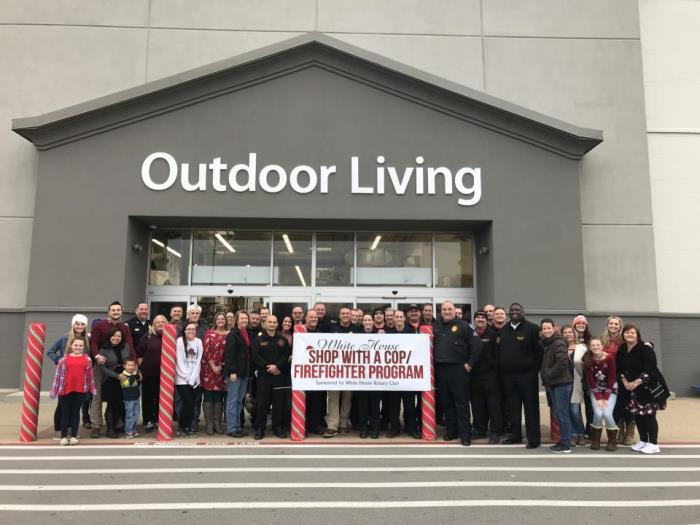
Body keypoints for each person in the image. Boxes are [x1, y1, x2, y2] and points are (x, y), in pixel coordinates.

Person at [434, 300, 482, 446]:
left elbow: (477, 345)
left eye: (449, 309)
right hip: (441, 370)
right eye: (444, 309)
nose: (447, 311)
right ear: (441, 311)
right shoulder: (436, 326)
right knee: (447, 403)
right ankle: (451, 431)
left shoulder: (464, 326)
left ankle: (465, 434)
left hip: (459, 370)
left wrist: (469, 364)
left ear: (454, 311)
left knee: (461, 404)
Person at [616, 324, 666, 454]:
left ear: (637, 335)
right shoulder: (622, 349)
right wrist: (625, 382)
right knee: (638, 416)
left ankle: (653, 443)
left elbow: (651, 370)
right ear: (623, 335)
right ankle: (643, 440)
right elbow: (619, 369)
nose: (629, 335)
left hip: (647, 388)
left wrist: (635, 383)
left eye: (632, 333)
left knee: (649, 416)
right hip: (631, 390)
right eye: (627, 333)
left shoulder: (645, 349)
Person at [498, 303, 542, 448]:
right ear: (508, 313)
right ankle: (515, 436)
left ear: (523, 312)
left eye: (517, 310)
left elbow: (539, 353)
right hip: (508, 378)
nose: (514, 312)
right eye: (512, 310)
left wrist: (534, 372)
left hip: (527, 377)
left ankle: (534, 439)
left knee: (531, 408)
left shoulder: (533, 329)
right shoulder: (503, 330)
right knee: (513, 409)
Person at [89, 301, 134, 438]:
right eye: (113, 310)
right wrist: (97, 356)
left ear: (121, 311)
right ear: (109, 311)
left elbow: (130, 345)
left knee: (118, 397)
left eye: (118, 310)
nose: (115, 312)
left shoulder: (124, 327)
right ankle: (96, 425)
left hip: (118, 366)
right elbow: (93, 342)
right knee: (97, 395)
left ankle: (117, 424)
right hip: (101, 364)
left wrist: (134, 364)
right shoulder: (99, 325)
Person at [47, 314, 92, 439]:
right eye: (77, 324)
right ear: (73, 325)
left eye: (82, 324)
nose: (80, 326)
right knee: (62, 406)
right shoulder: (64, 339)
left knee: (75, 407)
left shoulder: (87, 340)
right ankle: (59, 430)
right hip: (65, 378)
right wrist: (60, 360)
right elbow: (50, 351)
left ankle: (72, 430)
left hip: (79, 379)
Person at [49, 339, 95, 446]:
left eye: (80, 345)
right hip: (65, 390)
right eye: (76, 345)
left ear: (83, 347)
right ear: (71, 346)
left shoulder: (87, 360)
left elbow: (89, 376)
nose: (78, 347)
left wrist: (91, 389)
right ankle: (64, 437)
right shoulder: (63, 360)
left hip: (80, 390)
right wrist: (54, 391)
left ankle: (74, 436)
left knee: (75, 413)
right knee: (65, 413)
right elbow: (58, 376)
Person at [252, 315, 291, 439]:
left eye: (274, 322)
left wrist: (277, 367)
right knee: (262, 403)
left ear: (277, 324)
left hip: (278, 375)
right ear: (265, 324)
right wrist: (268, 367)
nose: (272, 324)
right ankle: (260, 428)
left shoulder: (282, 339)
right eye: (270, 322)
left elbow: (286, 356)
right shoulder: (258, 340)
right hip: (264, 376)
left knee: (278, 403)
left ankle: (277, 428)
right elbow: (256, 356)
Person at [540, 319, 573, 453]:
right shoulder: (548, 343)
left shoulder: (558, 342)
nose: (546, 330)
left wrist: (548, 374)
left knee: (563, 414)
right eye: (544, 328)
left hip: (561, 383)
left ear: (554, 328)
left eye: (549, 328)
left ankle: (565, 444)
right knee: (559, 414)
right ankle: (563, 440)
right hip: (554, 383)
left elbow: (561, 363)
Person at [325, 307, 359, 438]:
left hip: (351, 370)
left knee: (347, 398)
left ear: (351, 316)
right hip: (334, 369)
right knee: (333, 398)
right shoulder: (331, 328)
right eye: (343, 313)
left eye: (348, 314)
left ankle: (343, 424)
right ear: (339, 315)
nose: (345, 315)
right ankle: (332, 426)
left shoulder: (357, 329)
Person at [387, 309, 421, 439]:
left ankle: (411, 427)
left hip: (408, 375)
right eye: (397, 317)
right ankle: (395, 427)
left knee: (409, 404)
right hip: (394, 375)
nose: (399, 319)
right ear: (393, 319)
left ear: (404, 319)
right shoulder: (389, 334)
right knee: (393, 404)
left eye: (401, 316)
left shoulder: (412, 332)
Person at [470, 310, 503, 444]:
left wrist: (494, 372)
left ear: (486, 320)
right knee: (477, 405)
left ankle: (496, 431)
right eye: (477, 317)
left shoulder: (494, 335)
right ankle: (479, 429)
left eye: (482, 317)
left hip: (491, 376)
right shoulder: (470, 335)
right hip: (474, 376)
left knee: (493, 405)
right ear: (474, 320)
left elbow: (498, 355)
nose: (480, 320)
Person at [583, 337, 618, 450]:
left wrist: (606, 397)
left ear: (602, 346)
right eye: (593, 345)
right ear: (590, 347)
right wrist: (598, 397)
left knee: (607, 413)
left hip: (610, 389)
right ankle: (596, 439)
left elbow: (612, 378)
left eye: (598, 345)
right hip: (596, 390)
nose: (595, 347)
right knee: (598, 413)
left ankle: (612, 441)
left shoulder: (610, 358)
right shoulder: (587, 359)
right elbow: (590, 380)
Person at [99, 328, 133, 439]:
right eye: (114, 336)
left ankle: (119, 425)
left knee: (121, 403)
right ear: (109, 336)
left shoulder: (126, 347)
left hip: (125, 378)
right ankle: (110, 429)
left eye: (119, 336)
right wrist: (117, 376)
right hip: (110, 379)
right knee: (112, 404)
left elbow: (130, 361)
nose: (116, 338)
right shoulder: (104, 349)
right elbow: (103, 368)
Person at [136, 314, 166, 433]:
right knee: (148, 398)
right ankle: (148, 420)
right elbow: (139, 354)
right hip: (148, 374)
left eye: (162, 322)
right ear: (153, 324)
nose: (160, 324)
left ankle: (159, 420)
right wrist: (141, 369)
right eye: (157, 322)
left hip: (165, 375)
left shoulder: (170, 337)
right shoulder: (147, 336)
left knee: (161, 399)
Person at [224, 311, 252, 438]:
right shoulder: (233, 334)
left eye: (246, 318)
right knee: (232, 401)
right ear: (237, 320)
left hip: (245, 372)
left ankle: (238, 426)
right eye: (242, 318)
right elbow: (229, 354)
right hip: (235, 373)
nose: (244, 320)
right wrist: (232, 371)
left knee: (240, 401)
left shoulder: (247, 333)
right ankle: (231, 428)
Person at [201, 312, 228, 435]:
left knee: (219, 397)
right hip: (209, 368)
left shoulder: (230, 334)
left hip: (223, 369)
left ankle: (218, 424)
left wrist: (221, 366)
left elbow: (231, 351)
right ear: (215, 320)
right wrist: (213, 366)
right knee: (208, 396)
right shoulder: (209, 333)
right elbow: (206, 351)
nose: (220, 320)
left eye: (223, 319)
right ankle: (209, 424)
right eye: (218, 318)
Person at [175, 322, 203, 438]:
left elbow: (198, 361)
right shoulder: (180, 341)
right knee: (188, 403)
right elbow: (179, 361)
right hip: (182, 379)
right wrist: (187, 377)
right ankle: (183, 427)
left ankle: (187, 427)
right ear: (184, 330)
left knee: (192, 404)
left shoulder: (198, 342)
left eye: (193, 329)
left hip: (194, 379)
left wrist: (193, 378)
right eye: (189, 329)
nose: (191, 331)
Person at [356, 314, 382, 438]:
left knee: (375, 405)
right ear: (363, 322)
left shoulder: (380, 335)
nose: (367, 322)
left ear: (373, 322)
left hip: (376, 377)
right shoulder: (357, 335)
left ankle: (375, 428)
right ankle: (363, 428)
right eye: (365, 320)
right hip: (361, 377)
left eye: (369, 320)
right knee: (363, 405)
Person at [561, 324, 587, 446]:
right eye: (565, 332)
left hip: (577, 382)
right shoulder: (559, 347)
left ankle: (580, 433)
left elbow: (587, 364)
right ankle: (572, 434)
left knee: (575, 410)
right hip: (563, 383)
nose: (568, 334)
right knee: (567, 410)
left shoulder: (582, 347)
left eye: (569, 332)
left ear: (574, 334)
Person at [303, 309, 327, 434]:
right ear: (306, 318)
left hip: (318, 373)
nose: (313, 319)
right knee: (304, 400)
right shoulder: (300, 332)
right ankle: (304, 426)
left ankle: (315, 425)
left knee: (317, 401)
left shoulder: (321, 333)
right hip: (304, 372)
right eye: (311, 317)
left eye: (315, 317)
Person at [120, 359, 141, 438]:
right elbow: (127, 384)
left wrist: (137, 374)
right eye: (128, 365)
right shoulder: (123, 375)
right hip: (129, 399)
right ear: (124, 366)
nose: (131, 367)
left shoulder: (134, 374)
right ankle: (129, 431)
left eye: (132, 365)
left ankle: (133, 429)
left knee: (136, 415)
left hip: (136, 397)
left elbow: (139, 379)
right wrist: (134, 375)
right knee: (130, 415)